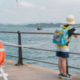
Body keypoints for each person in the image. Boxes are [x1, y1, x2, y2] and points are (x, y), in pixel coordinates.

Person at [56, 15, 78, 79]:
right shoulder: (72, 28)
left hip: (58, 45)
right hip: (64, 46)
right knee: (64, 60)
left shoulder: (62, 27)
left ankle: (61, 73)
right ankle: (65, 75)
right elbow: (76, 36)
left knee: (60, 59)